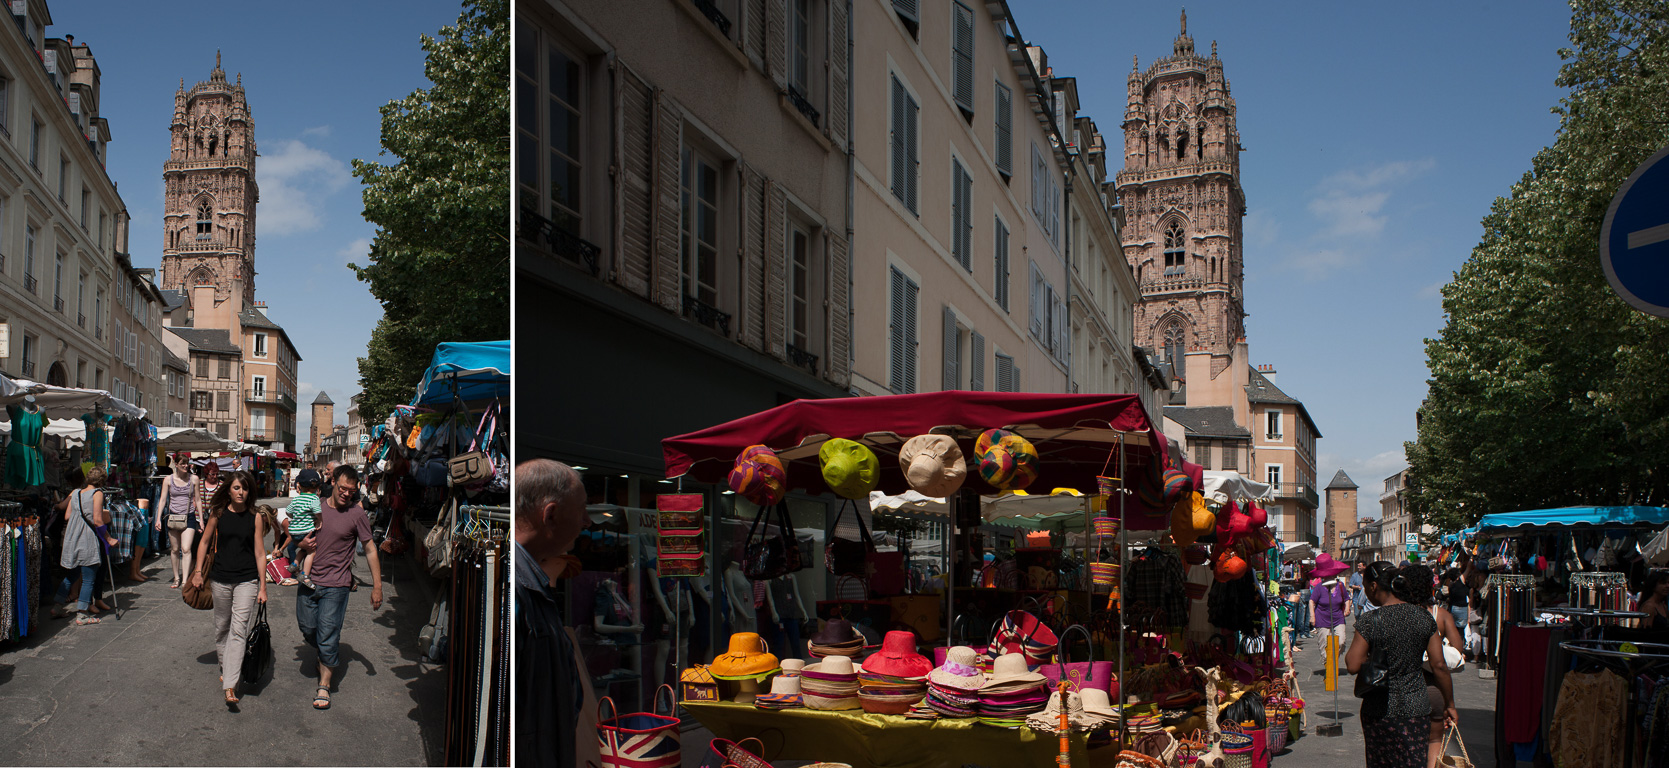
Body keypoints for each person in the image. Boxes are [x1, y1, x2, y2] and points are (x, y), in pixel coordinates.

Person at [515, 459, 595, 768]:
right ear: (550, 515)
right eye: (581, 511)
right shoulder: (519, 588)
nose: (587, 521)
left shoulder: (530, 582)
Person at [1348, 561, 1456, 768]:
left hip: (1378, 708)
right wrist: (1449, 704)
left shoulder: (1370, 620)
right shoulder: (1423, 617)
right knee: (1413, 761)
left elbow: (1353, 664)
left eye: (1364, 585)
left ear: (1373, 586)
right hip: (1415, 705)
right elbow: (1439, 664)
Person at [293, 464, 382, 711]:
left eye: (351, 491)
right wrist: (299, 543)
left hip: (338, 585)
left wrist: (377, 586)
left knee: (328, 632)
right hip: (309, 580)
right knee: (308, 627)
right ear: (333, 484)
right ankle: (324, 652)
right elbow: (296, 531)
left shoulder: (357, 514)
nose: (346, 494)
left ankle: (324, 684)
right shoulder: (315, 506)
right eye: (343, 488)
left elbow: (371, 549)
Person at [189, 469, 268, 709]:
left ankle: (231, 684)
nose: (241, 492)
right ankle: (227, 665)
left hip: (247, 579)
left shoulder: (255, 516)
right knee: (222, 626)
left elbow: (260, 553)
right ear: (229, 490)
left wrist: (263, 586)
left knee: (239, 628)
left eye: (244, 488)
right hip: (220, 578)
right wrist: (198, 572)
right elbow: (203, 542)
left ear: (249, 491)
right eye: (236, 488)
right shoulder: (219, 513)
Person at [52, 467, 111, 625]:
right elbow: (98, 520)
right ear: (102, 481)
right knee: (88, 578)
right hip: (86, 538)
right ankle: (82, 615)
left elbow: (67, 515)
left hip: (72, 537)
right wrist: (109, 538)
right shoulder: (97, 494)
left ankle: (57, 606)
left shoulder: (76, 493)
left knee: (72, 575)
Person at [157, 454, 201, 590]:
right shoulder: (168, 480)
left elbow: (198, 499)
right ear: (176, 464)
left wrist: (201, 519)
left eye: (187, 463)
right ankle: (176, 577)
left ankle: (185, 580)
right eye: (182, 463)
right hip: (173, 517)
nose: (185, 466)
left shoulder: (194, 479)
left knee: (186, 549)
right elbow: (163, 500)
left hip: (189, 517)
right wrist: (158, 518)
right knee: (175, 549)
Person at [284, 468, 324, 588]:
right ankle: (305, 575)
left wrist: (296, 516)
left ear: (299, 485)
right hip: (306, 530)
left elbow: (288, 512)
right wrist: (320, 520)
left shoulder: (296, 499)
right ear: (317, 487)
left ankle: (295, 563)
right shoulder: (314, 498)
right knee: (311, 552)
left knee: (304, 549)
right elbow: (317, 511)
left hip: (294, 531)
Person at [1311, 553, 1352, 649]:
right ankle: (1327, 662)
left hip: (1338, 617)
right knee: (1324, 644)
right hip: (1322, 617)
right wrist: (1312, 617)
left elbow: (1346, 598)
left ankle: (1334, 660)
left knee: (1341, 641)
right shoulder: (1319, 587)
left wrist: (1347, 608)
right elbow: (1312, 601)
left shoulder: (1340, 585)